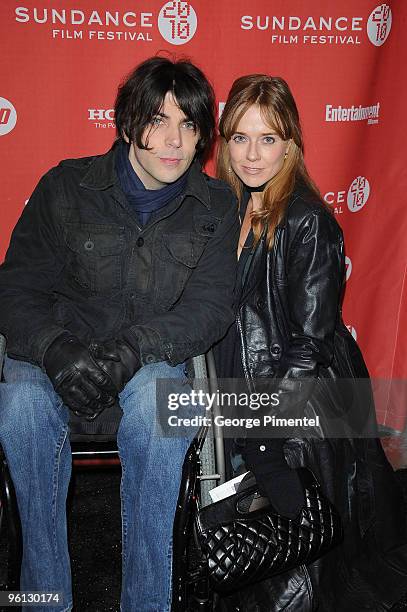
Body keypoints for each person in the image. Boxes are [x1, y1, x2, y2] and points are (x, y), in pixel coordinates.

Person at [0, 56, 239, 611]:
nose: (174, 141)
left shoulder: (215, 205)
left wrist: (134, 348)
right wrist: (55, 350)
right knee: (19, 409)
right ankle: (44, 599)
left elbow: (209, 307)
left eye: (189, 125)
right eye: (158, 121)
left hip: (147, 360)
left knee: (164, 410)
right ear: (128, 124)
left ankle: (147, 604)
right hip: (55, 357)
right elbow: (14, 290)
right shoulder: (64, 186)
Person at [214, 74, 407, 611]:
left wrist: (267, 433)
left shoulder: (306, 221)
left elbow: (308, 345)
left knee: (299, 575)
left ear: (291, 144)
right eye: (240, 138)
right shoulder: (230, 209)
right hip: (250, 389)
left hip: (304, 404)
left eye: (268, 139)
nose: (253, 154)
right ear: (224, 142)